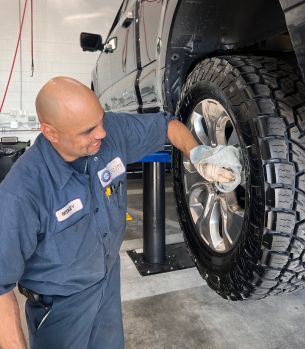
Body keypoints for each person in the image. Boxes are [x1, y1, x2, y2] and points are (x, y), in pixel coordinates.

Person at [0, 77, 237, 349]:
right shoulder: (22, 192)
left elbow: (166, 126)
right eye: (88, 130)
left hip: (108, 284)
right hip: (60, 308)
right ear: (51, 132)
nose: (101, 133)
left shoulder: (108, 131)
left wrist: (198, 154)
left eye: (100, 120)